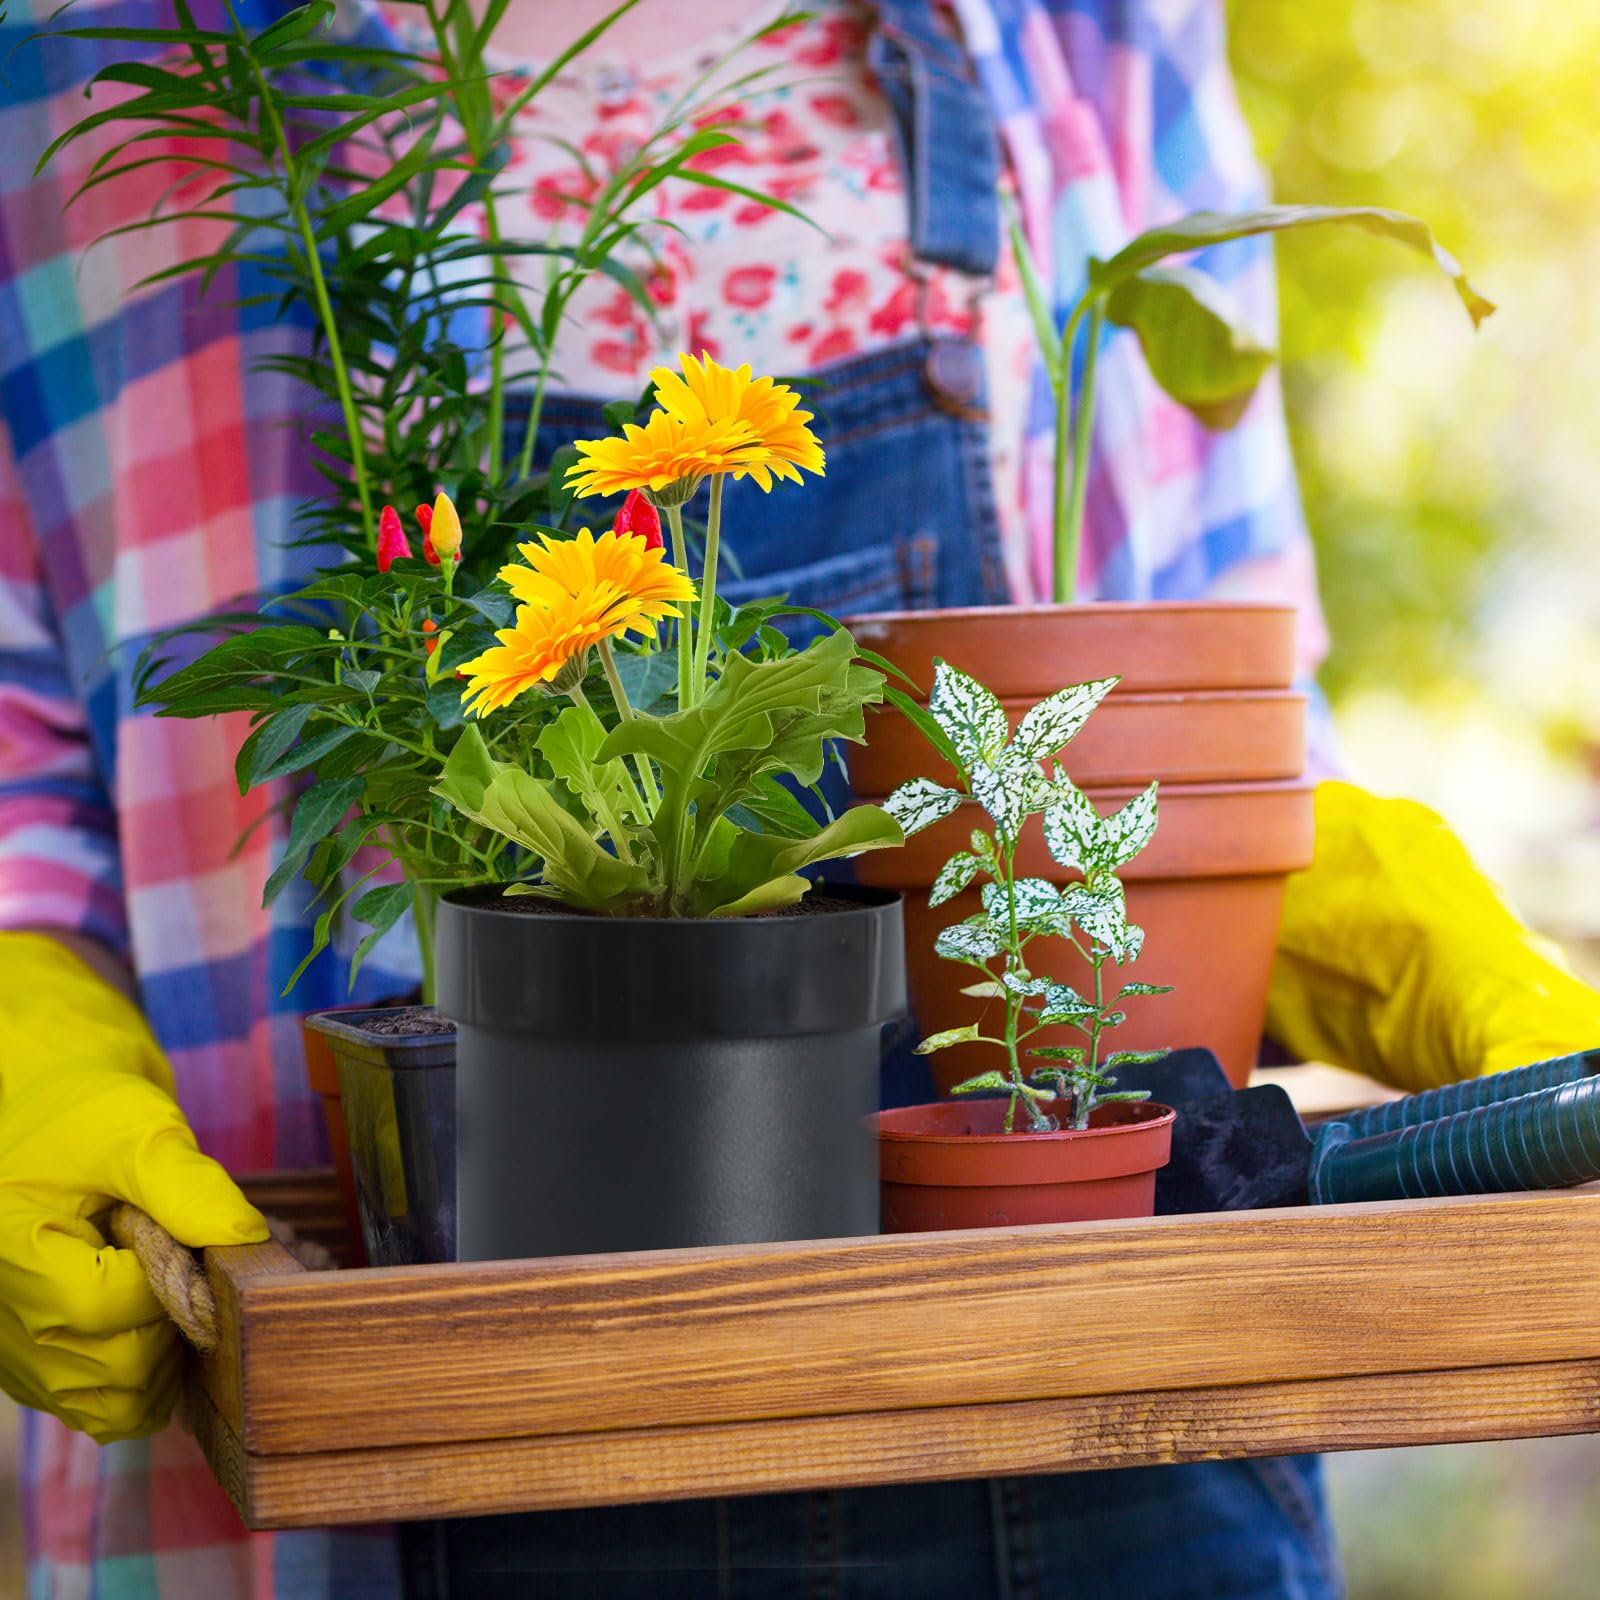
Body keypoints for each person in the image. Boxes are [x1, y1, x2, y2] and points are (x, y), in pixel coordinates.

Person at [5, 0, 1600, 1595]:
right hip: (413, 1410)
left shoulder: (1096, 33)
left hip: (1107, 1391)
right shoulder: (78, 76)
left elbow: (1216, 681)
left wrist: (1305, 876)